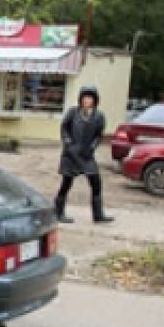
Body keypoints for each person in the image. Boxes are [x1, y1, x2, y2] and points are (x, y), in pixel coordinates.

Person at [55, 86, 113, 225]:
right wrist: (68, 144)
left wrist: (92, 148)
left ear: (95, 100)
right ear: (80, 99)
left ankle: (98, 215)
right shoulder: (73, 112)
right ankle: (58, 212)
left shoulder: (99, 116)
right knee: (66, 184)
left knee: (96, 183)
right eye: (85, 97)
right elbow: (64, 128)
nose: (87, 100)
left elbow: (99, 136)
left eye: (90, 98)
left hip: (87, 155)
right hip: (71, 154)